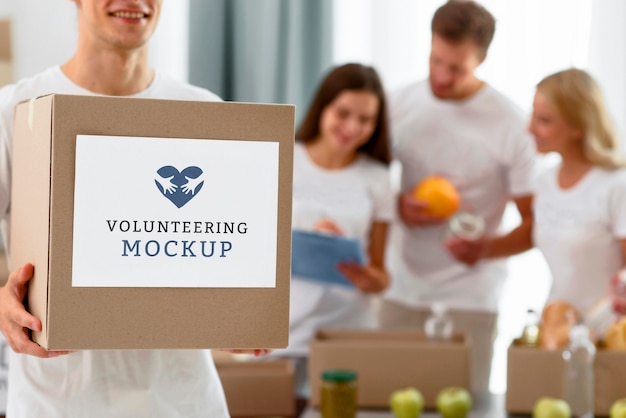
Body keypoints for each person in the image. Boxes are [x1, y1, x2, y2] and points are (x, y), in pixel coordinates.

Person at [0, 1, 266, 416]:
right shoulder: (14, 111)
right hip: (59, 403)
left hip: (181, 401)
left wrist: (244, 311)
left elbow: (224, 246)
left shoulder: (205, 111)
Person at [381, 0, 538, 398]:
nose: (443, 77)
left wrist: (485, 249)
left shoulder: (511, 123)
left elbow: (534, 223)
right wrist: (398, 205)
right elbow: (365, 183)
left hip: (472, 296)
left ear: (482, 60)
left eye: (457, 68)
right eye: (436, 61)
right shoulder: (396, 105)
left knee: (464, 405)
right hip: (401, 287)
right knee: (387, 401)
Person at [269, 63, 394, 402]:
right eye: (343, 113)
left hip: (349, 334)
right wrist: (311, 236)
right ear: (323, 107)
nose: (352, 128)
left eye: (365, 119)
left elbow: (382, 274)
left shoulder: (378, 179)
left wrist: (371, 279)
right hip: (285, 333)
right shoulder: (281, 157)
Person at [529, 68, 626, 324]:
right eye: (533, 116)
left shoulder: (616, 186)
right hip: (556, 330)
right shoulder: (545, 182)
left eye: (544, 120)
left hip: (610, 339)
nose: (530, 128)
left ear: (577, 127)